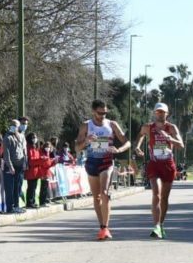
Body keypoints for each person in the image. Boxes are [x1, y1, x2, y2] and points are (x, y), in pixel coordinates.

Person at [77, 100, 130, 241]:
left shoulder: (112, 124)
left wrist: (118, 149)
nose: (103, 115)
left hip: (106, 162)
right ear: (93, 111)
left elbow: (127, 142)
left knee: (104, 193)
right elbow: (77, 148)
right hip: (91, 162)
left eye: (105, 113)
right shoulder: (86, 125)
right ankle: (102, 227)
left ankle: (106, 227)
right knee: (97, 197)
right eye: (100, 113)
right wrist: (86, 141)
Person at [134, 102, 184, 239]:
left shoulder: (171, 128)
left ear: (166, 114)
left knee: (165, 198)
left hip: (168, 164)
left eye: (162, 112)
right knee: (156, 193)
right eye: (157, 112)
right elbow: (140, 136)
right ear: (154, 113)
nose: (160, 114)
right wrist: (137, 147)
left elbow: (181, 144)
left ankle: (161, 225)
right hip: (154, 164)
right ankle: (156, 226)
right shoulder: (148, 127)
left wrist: (169, 138)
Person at [1, 119, 27, 214]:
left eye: (16, 125)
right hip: (10, 166)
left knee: (18, 187)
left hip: (19, 166)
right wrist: (10, 166)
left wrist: (25, 162)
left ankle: (16, 206)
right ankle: (10, 207)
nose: (14, 126)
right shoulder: (7, 137)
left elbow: (23, 151)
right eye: (12, 124)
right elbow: (6, 154)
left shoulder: (21, 136)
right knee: (10, 188)